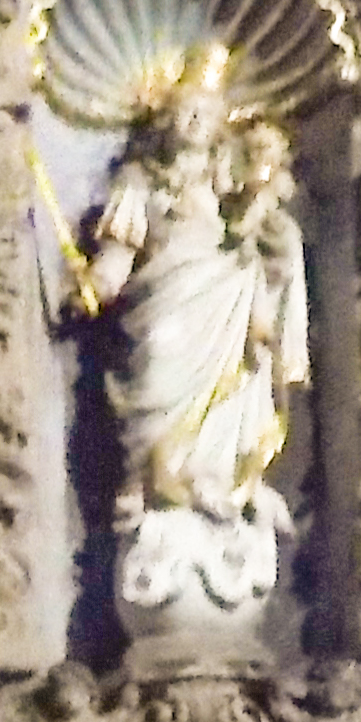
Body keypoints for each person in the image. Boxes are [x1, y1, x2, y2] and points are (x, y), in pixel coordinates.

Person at [81, 45, 309, 666]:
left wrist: (270, 243)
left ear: (218, 127)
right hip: (165, 308)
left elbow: (262, 238)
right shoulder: (139, 185)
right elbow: (118, 257)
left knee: (233, 399)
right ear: (164, 118)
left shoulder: (228, 184)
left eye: (206, 114)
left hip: (225, 303)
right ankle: (156, 483)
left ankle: (219, 483)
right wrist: (96, 284)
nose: (194, 121)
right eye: (185, 110)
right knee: (156, 366)